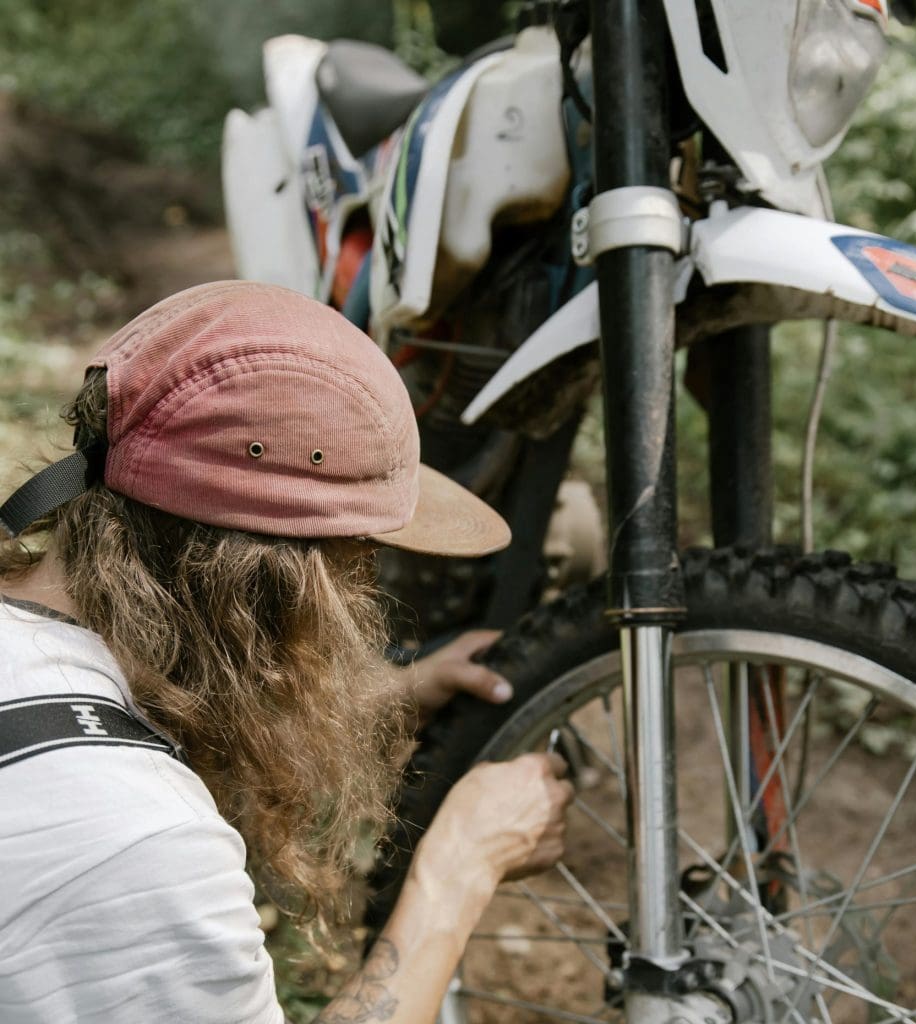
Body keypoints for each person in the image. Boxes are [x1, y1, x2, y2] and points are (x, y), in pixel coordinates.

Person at [0, 281, 573, 1023]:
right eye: (359, 563)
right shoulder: (141, 846)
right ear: (280, 586)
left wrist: (384, 693)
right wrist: (459, 866)